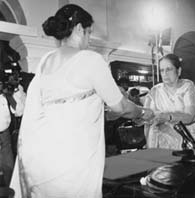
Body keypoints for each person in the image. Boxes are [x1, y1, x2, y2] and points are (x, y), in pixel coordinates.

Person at [10, 4, 154, 198]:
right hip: (73, 158)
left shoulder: (46, 60)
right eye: (88, 32)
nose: (89, 39)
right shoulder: (90, 60)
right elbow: (120, 105)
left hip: (42, 157)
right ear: (79, 28)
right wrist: (142, 112)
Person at [144, 54, 195, 150]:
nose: (165, 74)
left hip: (188, 140)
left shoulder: (187, 86)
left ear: (178, 71)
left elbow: (191, 116)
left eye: (169, 69)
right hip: (163, 143)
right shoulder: (155, 91)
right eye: (162, 70)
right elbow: (147, 123)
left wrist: (168, 116)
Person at [0, 80, 14, 186]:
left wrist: (9, 96)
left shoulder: (5, 97)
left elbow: (17, 110)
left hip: (5, 135)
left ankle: (9, 190)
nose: (1, 85)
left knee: (8, 166)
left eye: (1, 82)